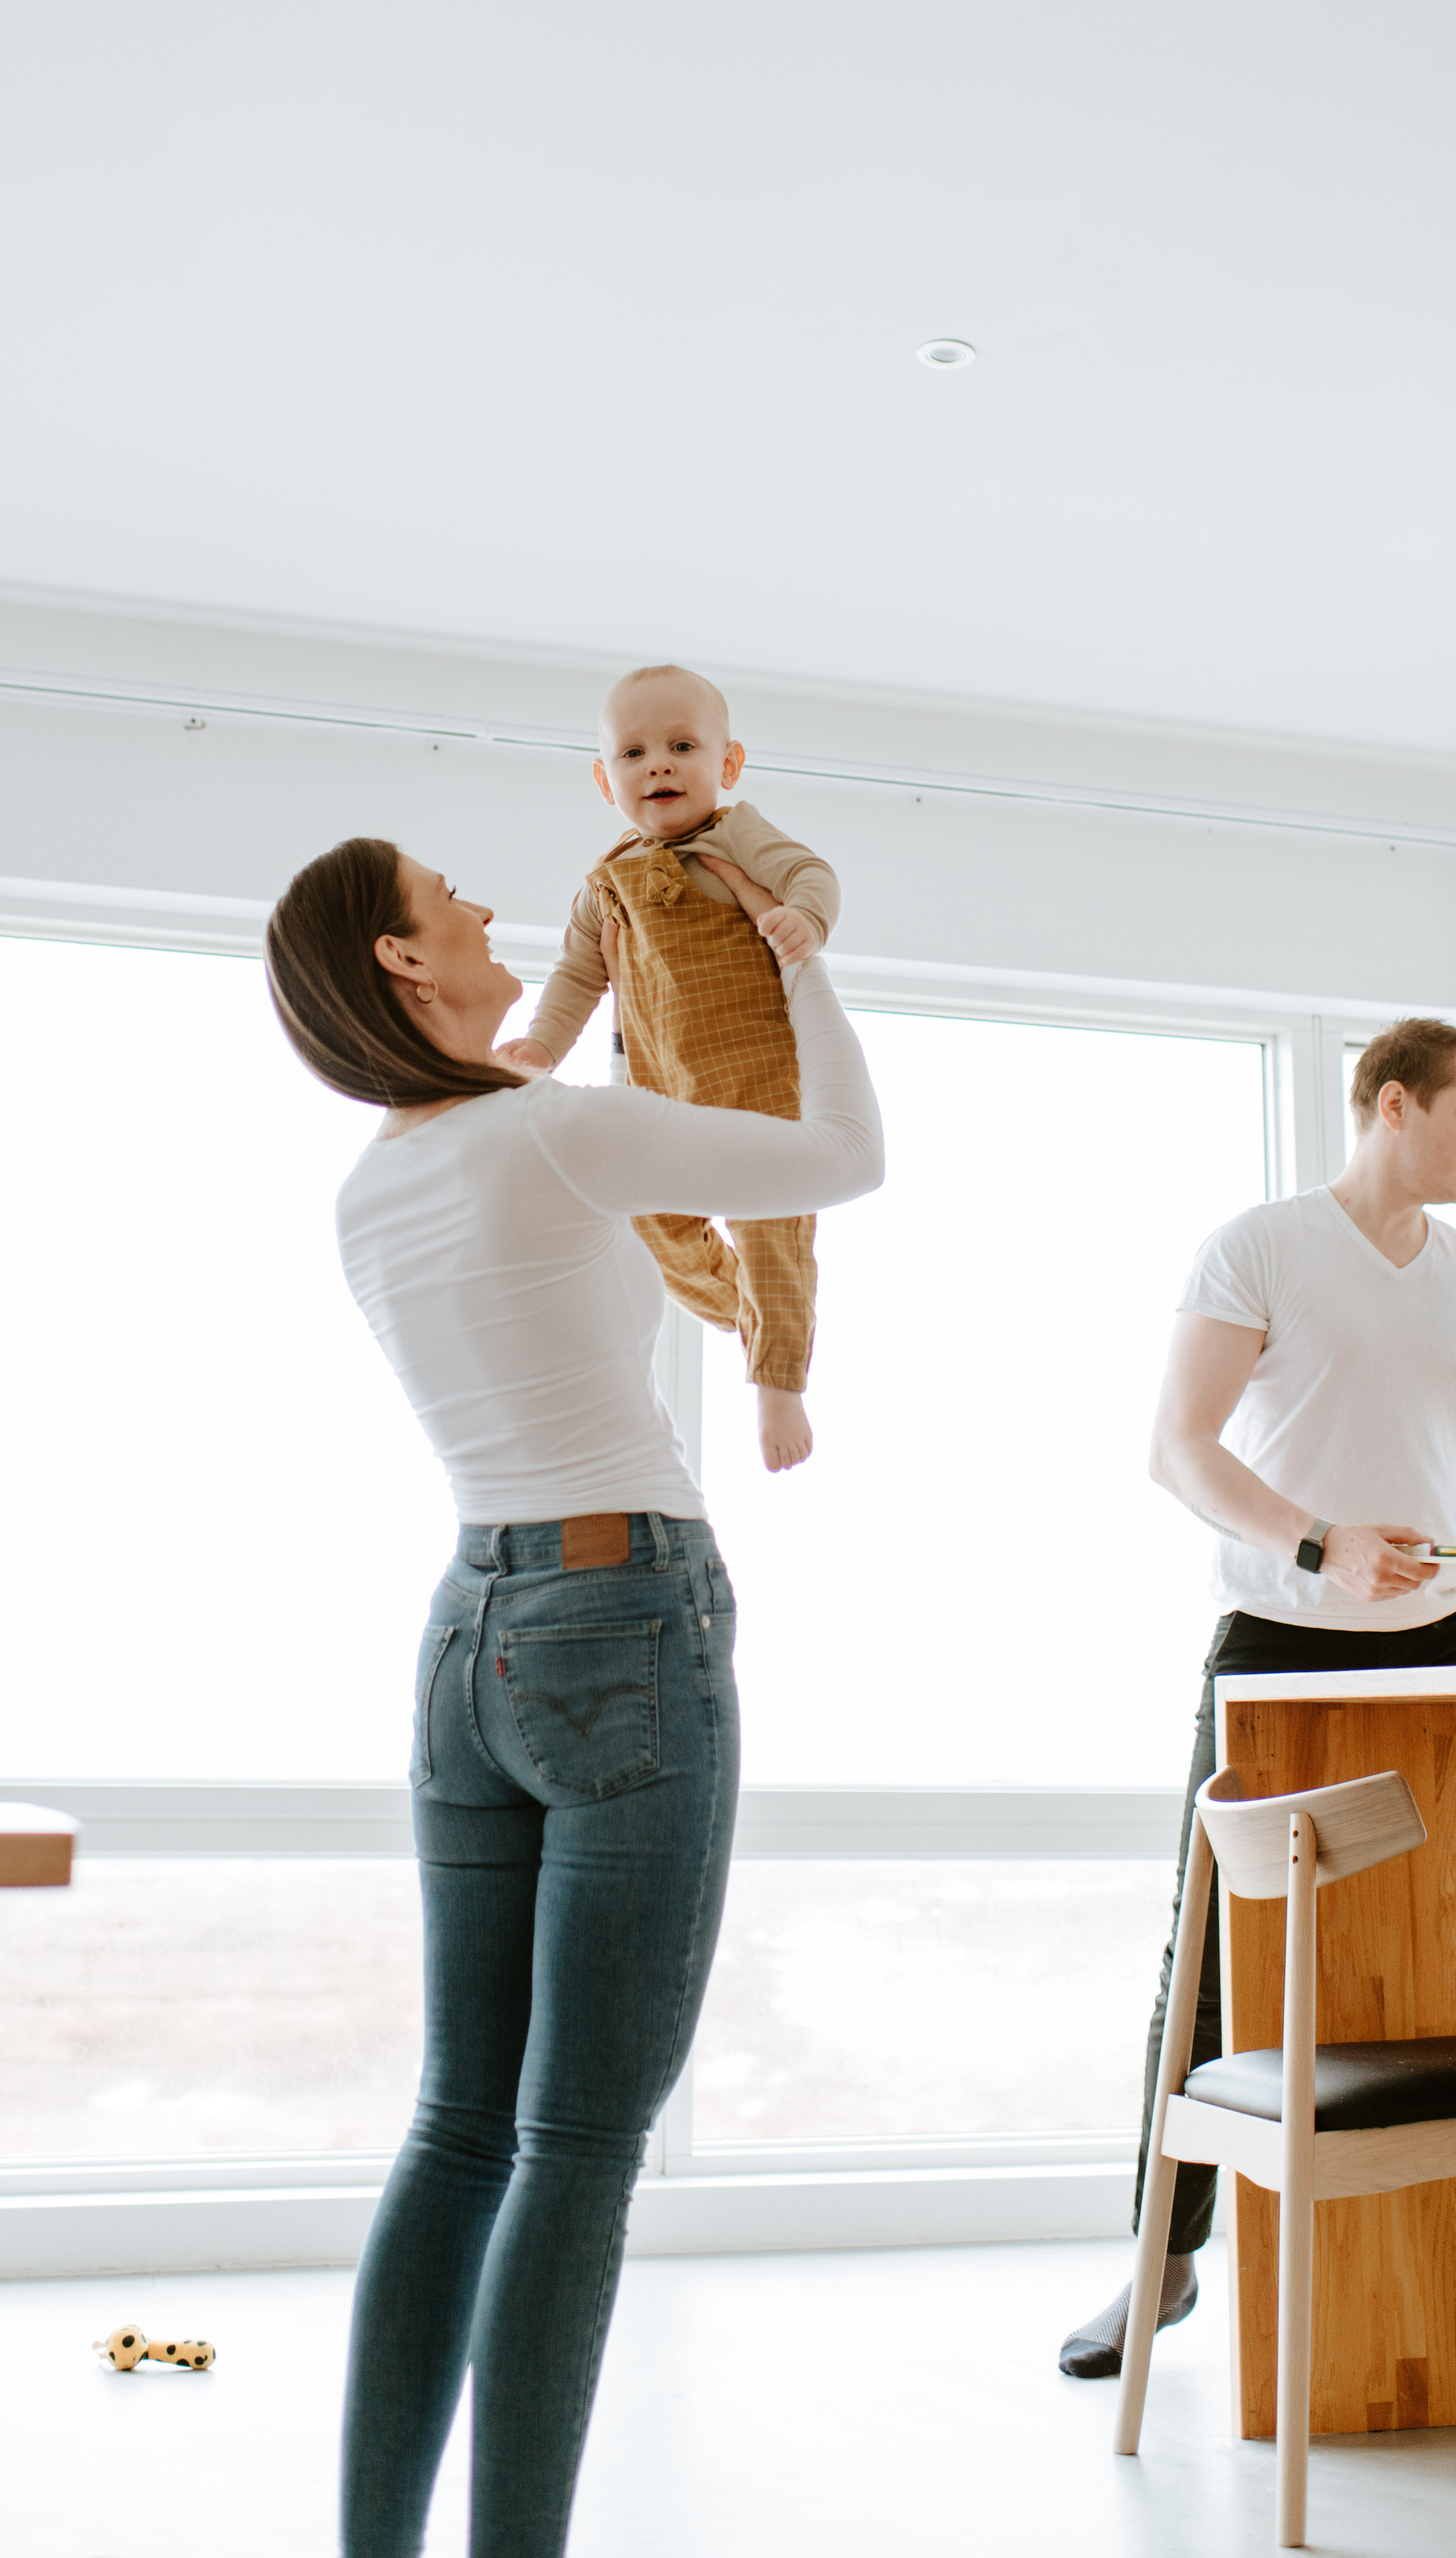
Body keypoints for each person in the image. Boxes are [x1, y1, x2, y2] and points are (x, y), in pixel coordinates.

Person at [263, 835, 883, 2558]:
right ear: (402, 960)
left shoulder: (377, 1185)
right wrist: (799, 954)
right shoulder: (547, 1131)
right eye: (445, 896)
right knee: (578, 2146)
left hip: (467, 1635)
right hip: (622, 1614)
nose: (483, 906)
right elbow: (844, 1157)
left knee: (458, 2125)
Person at [1059, 1016, 1456, 2379]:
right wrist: (1319, 1542)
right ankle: (1162, 2267)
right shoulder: (1259, 1247)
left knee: (1428, 1941)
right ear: (1393, 1106)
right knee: (1214, 1963)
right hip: (1278, 1646)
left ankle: (1403, 2290)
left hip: (1444, 1652)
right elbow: (1177, 1448)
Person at [498, 662, 840, 1473]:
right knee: (649, 1226)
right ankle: (744, 1316)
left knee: (772, 1233)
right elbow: (578, 974)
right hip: (663, 1097)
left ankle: (777, 1381)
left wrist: (804, 918)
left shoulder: (736, 836)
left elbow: (811, 874)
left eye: (683, 746)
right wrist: (541, 1047)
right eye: (634, 752)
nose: (658, 764)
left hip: (758, 1081)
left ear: (728, 765)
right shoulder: (604, 884)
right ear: (604, 780)